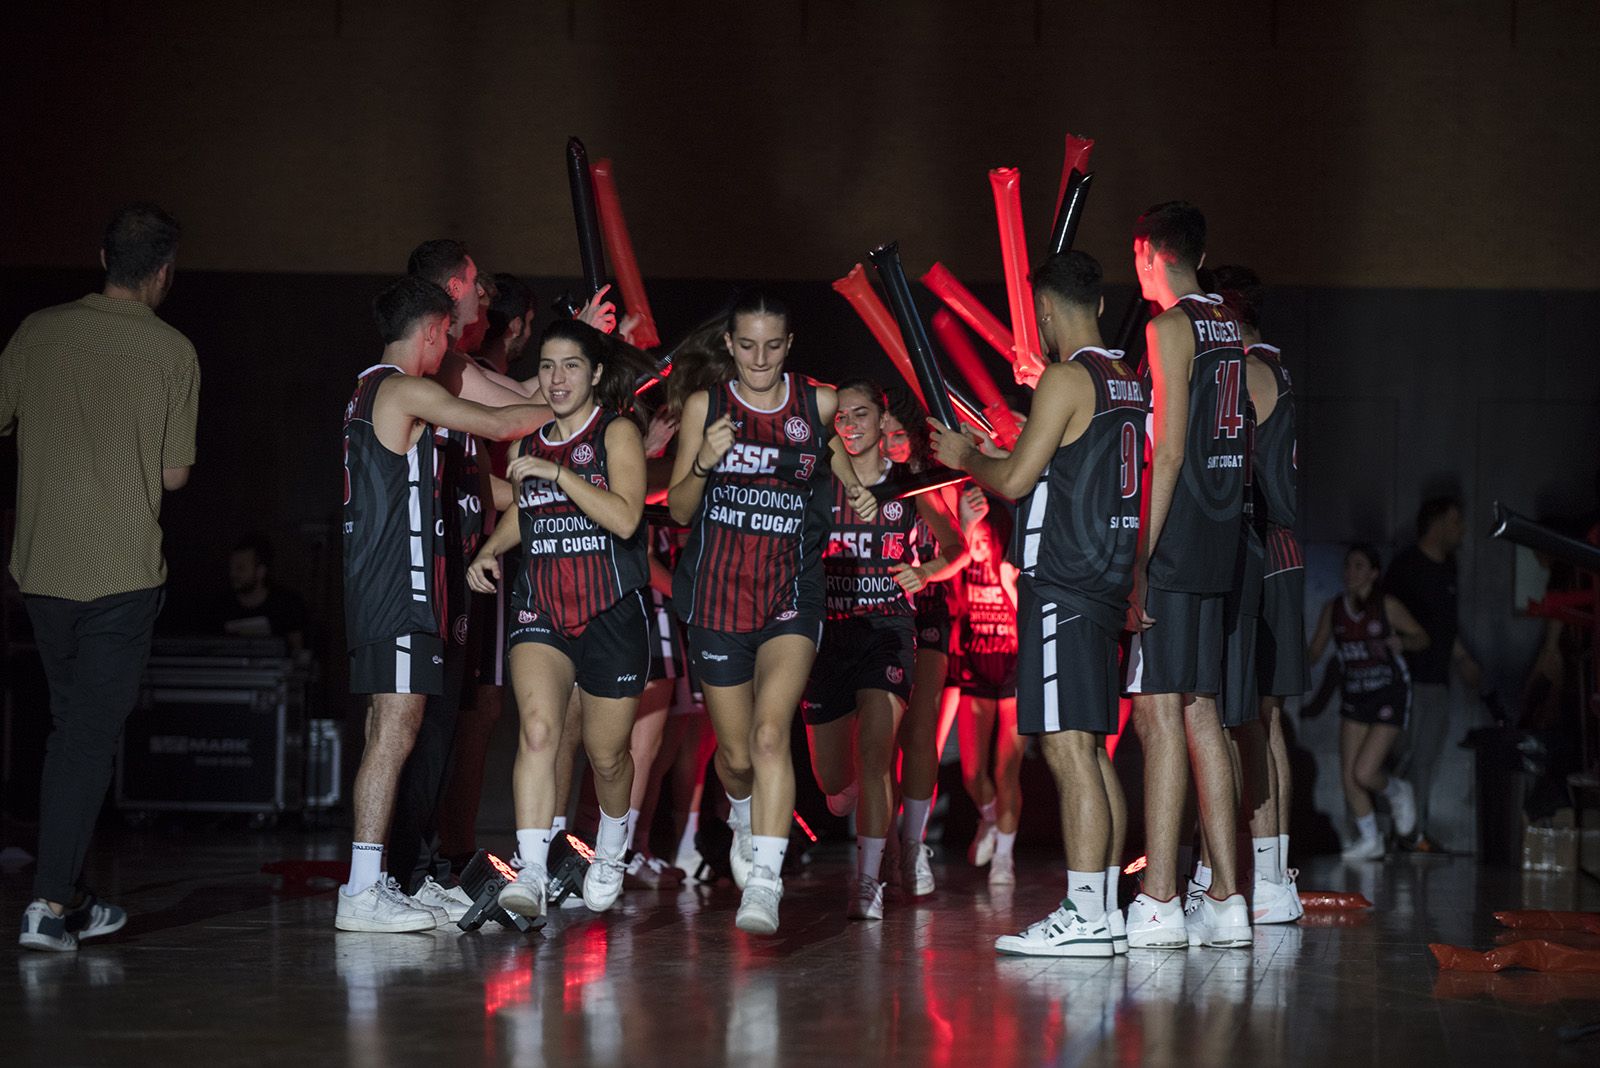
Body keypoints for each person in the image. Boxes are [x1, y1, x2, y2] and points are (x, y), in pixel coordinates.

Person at [932, 249, 1140, 957]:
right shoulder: (1127, 381)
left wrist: (966, 461)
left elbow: (1015, 482)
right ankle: (1104, 908)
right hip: (1108, 579)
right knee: (1088, 748)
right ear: (1102, 304)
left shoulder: (1065, 377)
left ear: (1044, 312)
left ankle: (1085, 914)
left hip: (1063, 581)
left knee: (1065, 748)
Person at [4, 203, 197, 952]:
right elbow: (174, 474)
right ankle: (49, 906)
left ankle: (70, 894)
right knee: (84, 740)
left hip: (44, 567)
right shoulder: (172, 351)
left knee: (69, 734)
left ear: (101, 256)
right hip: (120, 571)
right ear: (163, 270)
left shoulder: (38, 332)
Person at [336, 275, 547, 933]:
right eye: (447, 334)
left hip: (396, 589)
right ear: (432, 330)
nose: (451, 344)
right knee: (395, 731)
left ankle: (393, 878)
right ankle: (363, 889)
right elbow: (501, 421)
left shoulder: (372, 388)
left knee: (395, 732)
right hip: (394, 589)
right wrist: (576, 400)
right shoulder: (402, 387)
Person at [668, 290, 876, 935]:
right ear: (729, 345)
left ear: (790, 347)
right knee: (734, 757)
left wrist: (856, 490)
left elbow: (831, 455)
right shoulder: (709, 405)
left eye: (773, 346)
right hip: (717, 598)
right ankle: (739, 813)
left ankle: (764, 880)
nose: (760, 358)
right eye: (747, 345)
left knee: (768, 735)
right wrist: (704, 460)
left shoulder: (817, 402)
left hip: (792, 593)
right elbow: (677, 510)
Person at [467, 319, 650, 918]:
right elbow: (526, 513)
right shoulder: (527, 445)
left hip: (611, 611)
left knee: (606, 755)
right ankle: (532, 869)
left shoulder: (616, 432)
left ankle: (613, 847)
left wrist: (561, 474)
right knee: (539, 731)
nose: (557, 378)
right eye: (546, 366)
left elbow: (625, 520)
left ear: (595, 373)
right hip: (541, 606)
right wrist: (491, 550)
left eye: (570, 365)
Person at [1121, 202, 1252, 949]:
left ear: (1148, 253)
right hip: (1221, 538)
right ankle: (1228, 899)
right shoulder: (1230, 327)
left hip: (1174, 544)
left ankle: (1161, 898)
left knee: (1157, 713)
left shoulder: (1169, 327)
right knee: (1203, 714)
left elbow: (1166, 453)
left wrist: (1140, 560)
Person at [803, 378, 964, 921]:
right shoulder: (818, 484)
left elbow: (955, 547)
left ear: (882, 420)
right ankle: (873, 834)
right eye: (841, 416)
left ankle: (867, 880)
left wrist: (925, 572)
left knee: (878, 753)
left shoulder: (910, 486)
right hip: (829, 636)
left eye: (861, 414)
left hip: (888, 630)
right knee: (835, 785)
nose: (849, 425)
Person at [1213, 264, 1305, 923]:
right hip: (1280, 549)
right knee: (1257, 717)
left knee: (1251, 716)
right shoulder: (1271, 362)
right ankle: (1266, 878)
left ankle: (1266, 879)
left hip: (1265, 549)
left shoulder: (1245, 369)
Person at [1306, 545, 1428, 860]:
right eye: (1348, 565)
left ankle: (1398, 792)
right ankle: (1371, 840)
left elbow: (1422, 637)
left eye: (1359, 566)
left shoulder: (1387, 606)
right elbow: (1314, 652)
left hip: (1389, 692)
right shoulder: (1333, 609)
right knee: (1349, 777)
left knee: (1364, 772)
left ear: (1374, 573)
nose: (1351, 572)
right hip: (1355, 693)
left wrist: (1404, 641)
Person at [1385, 496, 1483, 849]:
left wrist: (1462, 659)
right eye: (1456, 520)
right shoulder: (1406, 567)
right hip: (1408, 680)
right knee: (1402, 757)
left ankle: (1415, 834)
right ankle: (1400, 833)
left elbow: (1445, 627)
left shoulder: (1449, 567)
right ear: (1437, 522)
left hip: (1438, 679)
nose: (1462, 529)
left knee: (1425, 759)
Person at [948, 512, 1024, 888]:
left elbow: (1030, 616)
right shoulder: (963, 567)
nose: (977, 546)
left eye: (983, 540)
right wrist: (962, 537)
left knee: (1005, 771)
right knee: (971, 773)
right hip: (975, 670)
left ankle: (1004, 860)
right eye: (972, 538)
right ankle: (990, 818)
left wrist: (1010, 586)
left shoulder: (1010, 568)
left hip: (1014, 672)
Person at [212, 533, 307, 652]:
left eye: (240, 568)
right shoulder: (220, 605)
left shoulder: (287, 604)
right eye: (232, 567)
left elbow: (298, 651)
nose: (233, 574)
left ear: (260, 571)